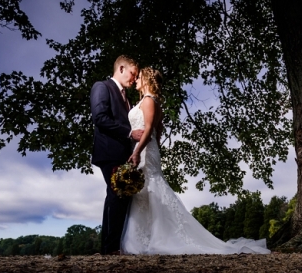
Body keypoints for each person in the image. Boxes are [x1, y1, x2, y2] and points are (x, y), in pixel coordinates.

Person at [121, 67, 270, 255]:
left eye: (139, 77)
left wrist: (138, 152)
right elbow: (159, 133)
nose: (135, 80)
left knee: (151, 188)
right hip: (148, 150)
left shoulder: (149, 101)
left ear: (147, 80)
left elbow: (150, 129)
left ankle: (157, 239)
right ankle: (146, 237)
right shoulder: (151, 102)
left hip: (144, 150)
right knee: (144, 191)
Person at [90, 55, 144, 255]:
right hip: (109, 152)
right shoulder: (102, 87)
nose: (134, 79)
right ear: (121, 68)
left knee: (117, 196)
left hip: (123, 154)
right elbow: (100, 118)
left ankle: (109, 247)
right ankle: (111, 248)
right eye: (132, 73)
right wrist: (129, 133)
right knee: (117, 194)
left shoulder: (127, 98)